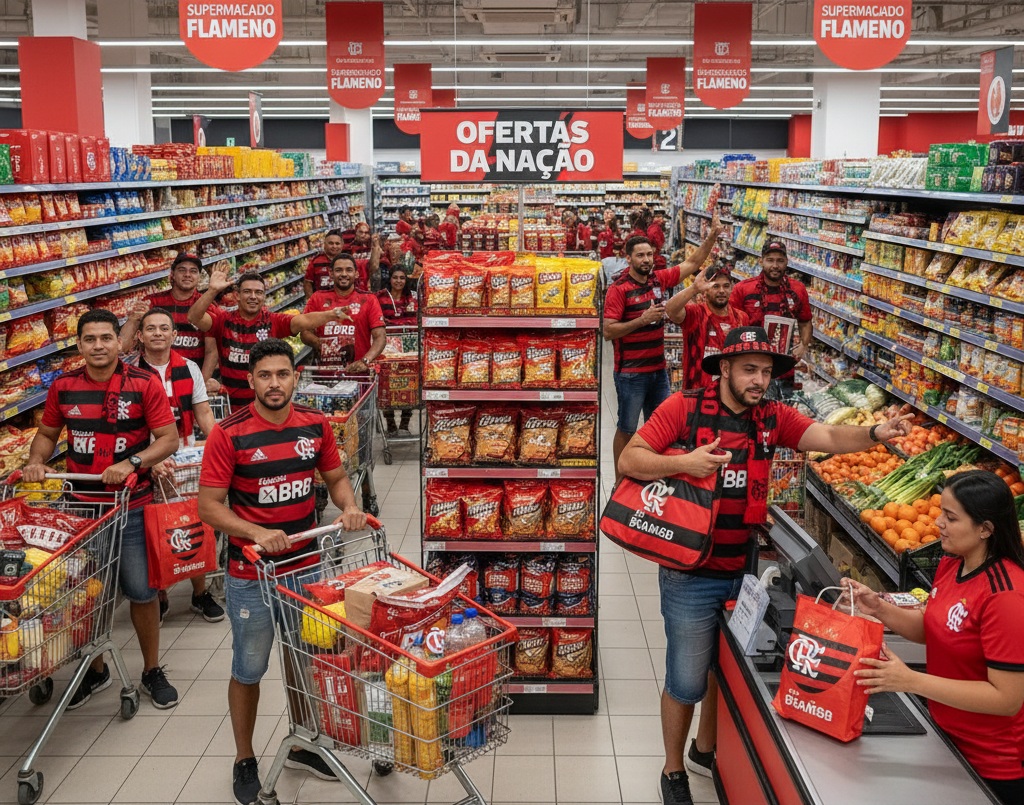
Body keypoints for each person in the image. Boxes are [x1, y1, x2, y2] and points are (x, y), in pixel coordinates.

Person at [617, 325, 914, 805]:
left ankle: (704, 750)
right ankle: (672, 771)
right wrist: (685, 464)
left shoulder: (772, 417)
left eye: (767, 371)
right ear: (726, 369)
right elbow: (631, 460)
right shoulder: (683, 408)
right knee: (686, 677)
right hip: (689, 572)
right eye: (750, 370)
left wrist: (876, 432)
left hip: (746, 569)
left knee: (727, 665)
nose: (759, 380)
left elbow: (829, 435)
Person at [196, 338, 367, 805]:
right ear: (250, 381)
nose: (275, 384)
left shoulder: (315, 425)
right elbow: (209, 507)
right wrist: (252, 531)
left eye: (283, 374)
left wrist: (349, 507)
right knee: (249, 666)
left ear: (296, 377)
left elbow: (334, 479)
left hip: (305, 566)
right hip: (251, 576)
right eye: (265, 376)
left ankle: (304, 741)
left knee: (303, 657)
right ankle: (244, 757)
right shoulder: (229, 435)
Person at [23, 309, 181, 710]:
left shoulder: (144, 384)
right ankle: (94, 671)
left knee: (142, 592)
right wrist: (37, 461)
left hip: (131, 505)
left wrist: (132, 463)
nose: (98, 346)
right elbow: (46, 433)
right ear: (80, 345)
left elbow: (168, 438)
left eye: (105, 338)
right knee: (85, 594)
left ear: (120, 342)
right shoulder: (64, 387)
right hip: (79, 509)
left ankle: (151, 669)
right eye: (90, 339)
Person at [844, 470, 1024, 805]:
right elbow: (935, 628)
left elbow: (1006, 698)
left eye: (951, 517)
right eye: (941, 511)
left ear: (986, 529)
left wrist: (911, 681)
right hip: (946, 736)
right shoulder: (951, 563)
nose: (939, 522)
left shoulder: (1006, 596)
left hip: (994, 765)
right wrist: (877, 608)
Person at [603, 219, 722, 474]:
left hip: (658, 371)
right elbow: (608, 331)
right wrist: (641, 320)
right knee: (626, 427)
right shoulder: (618, 289)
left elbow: (691, 263)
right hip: (630, 373)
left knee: (662, 427)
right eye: (640, 255)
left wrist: (712, 235)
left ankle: (653, 473)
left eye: (649, 254)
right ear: (629, 259)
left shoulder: (658, 280)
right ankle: (619, 479)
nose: (646, 259)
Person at [128, 307, 224, 624]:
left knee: (194, 522)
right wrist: (148, 459)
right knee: (156, 530)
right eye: (150, 328)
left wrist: (221, 444)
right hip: (145, 461)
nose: (158, 333)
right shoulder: (127, 373)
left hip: (183, 459)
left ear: (174, 335)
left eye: (164, 328)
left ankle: (199, 592)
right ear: (139, 336)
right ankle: (161, 595)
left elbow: (203, 413)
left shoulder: (189, 368)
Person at [188, 270, 351, 407]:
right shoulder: (222, 320)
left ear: (264, 296)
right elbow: (194, 317)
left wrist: (332, 314)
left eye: (258, 292)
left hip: (266, 405)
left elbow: (304, 320)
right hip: (233, 406)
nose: (253, 296)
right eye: (247, 292)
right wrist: (212, 291)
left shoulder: (272, 321)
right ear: (237, 296)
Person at [119, 253, 220, 393]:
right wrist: (132, 319)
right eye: (182, 270)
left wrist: (200, 386)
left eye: (193, 271)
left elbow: (211, 351)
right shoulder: (152, 302)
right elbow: (122, 346)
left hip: (189, 378)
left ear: (199, 277)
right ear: (172, 274)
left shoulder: (208, 307)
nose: (187, 275)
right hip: (152, 380)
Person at [729, 240, 812, 373]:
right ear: (761, 261)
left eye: (780, 260)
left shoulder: (798, 289)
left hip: (784, 364)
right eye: (770, 260)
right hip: (749, 363)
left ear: (786, 262)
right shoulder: (743, 289)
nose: (775, 265)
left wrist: (804, 345)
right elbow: (730, 324)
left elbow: (805, 321)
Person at [665, 263, 749, 390]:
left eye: (726, 286)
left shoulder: (742, 318)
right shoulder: (696, 314)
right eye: (715, 286)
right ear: (705, 289)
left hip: (731, 394)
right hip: (698, 394)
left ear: (732, 288)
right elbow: (671, 310)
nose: (721, 291)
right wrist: (694, 288)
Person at [301, 253, 387, 372]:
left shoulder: (369, 300)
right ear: (331, 273)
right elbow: (304, 332)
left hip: (359, 374)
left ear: (356, 274)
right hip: (325, 374)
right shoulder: (317, 298)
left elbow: (380, 337)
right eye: (338, 270)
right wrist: (320, 344)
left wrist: (365, 360)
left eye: (349, 270)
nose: (344, 274)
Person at [377, 265, 417, 436]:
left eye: (402, 278)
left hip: (410, 348)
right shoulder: (380, 297)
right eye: (395, 277)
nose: (399, 281)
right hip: (387, 348)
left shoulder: (412, 298)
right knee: (387, 385)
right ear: (390, 279)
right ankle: (391, 424)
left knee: (409, 384)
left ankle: (405, 424)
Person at [303, 229, 345, 299]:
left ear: (342, 245)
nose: (334, 246)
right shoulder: (316, 262)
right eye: (331, 243)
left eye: (337, 244)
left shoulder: (347, 261)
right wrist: (311, 301)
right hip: (321, 303)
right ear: (324, 245)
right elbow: (307, 283)